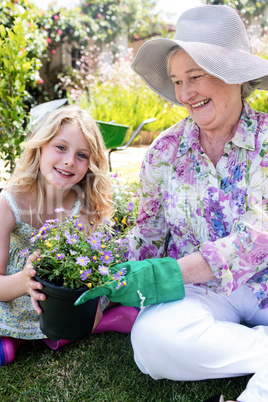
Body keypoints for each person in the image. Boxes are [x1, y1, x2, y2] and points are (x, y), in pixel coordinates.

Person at [75, 5, 268, 402]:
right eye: (179, 81)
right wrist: (99, 275)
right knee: (151, 342)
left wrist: (167, 275)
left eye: (195, 77)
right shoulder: (165, 150)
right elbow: (148, 233)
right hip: (204, 290)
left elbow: (259, 237)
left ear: (233, 74)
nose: (184, 94)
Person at [0, 105, 138, 367]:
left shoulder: (81, 208)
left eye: (82, 155)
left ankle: (90, 326)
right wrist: (23, 283)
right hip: (14, 298)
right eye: (60, 147)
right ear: (40, 146)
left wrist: (93, 305)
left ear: (91, 164)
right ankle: (21, 337)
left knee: (84, 309)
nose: (69, 161)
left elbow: (86, 276)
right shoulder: (8, 204)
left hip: (63, 303)